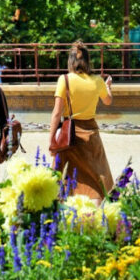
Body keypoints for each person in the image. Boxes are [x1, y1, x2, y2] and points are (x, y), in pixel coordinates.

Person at [49, 42, 113, 203]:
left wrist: (51, 139)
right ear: (87, 60)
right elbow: (108, 101)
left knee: (63, 176)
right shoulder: (97, 80)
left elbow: (57, 112)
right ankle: (95, 218)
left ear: (71, 61)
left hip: (69, 134)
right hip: (91, 132)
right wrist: (108, 87)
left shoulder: (64, 80)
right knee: (97, 177)